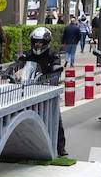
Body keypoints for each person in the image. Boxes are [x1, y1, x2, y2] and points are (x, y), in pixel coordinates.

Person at [4, 26, 68, 157]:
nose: (38, 45)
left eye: (40, 42)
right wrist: (9, 71)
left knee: (56, 119)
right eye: (36, 42)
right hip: (30, 88)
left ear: (46, 42)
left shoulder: (53, 54)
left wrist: (55, 73)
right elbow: (19, 62)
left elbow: (57, 66)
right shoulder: (29, 54)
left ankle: (60, 148)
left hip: (47, 89)